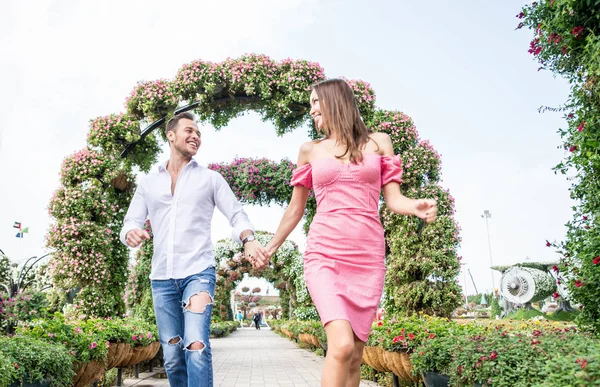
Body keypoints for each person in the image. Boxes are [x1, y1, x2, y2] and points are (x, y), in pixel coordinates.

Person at [254, 79, 437, 387]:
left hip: (367, 257)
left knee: (354, 356)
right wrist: (270, 248)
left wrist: (415, 207)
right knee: (340, 346)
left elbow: (393, 199)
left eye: (315, 102)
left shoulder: (379, 142)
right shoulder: (310, 150)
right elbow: (295, 209)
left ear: (335, 101)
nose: (311, 110)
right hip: (325, 254)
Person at [119, 112, 265, 387]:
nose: (196, 136)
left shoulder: (210, 179)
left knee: (196, 347)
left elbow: (237, 215)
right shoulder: (149, 183)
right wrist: (130, 232)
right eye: (189, 130)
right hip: (161, 278)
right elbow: (130, 221)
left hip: (198, 273)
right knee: (173, 355)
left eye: (198, 133)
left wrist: (248, 239)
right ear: (170, 135)